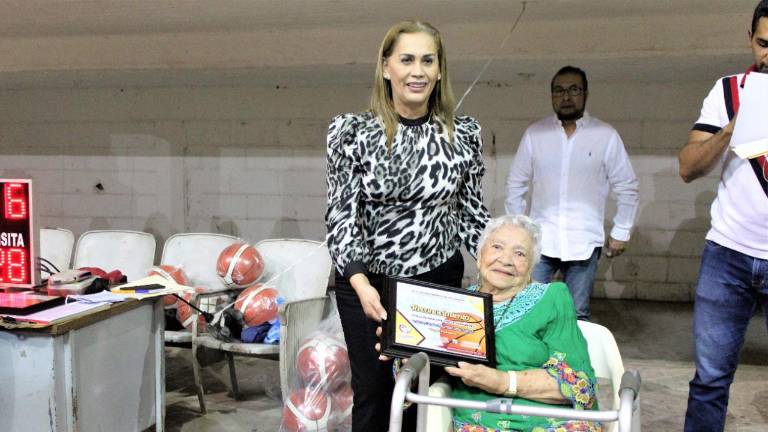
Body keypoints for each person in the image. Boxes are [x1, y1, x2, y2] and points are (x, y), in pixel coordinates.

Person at [325, 20, 490, 432]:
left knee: (428, 390)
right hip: (368, 282)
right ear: (386, 68)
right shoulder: (351, 132)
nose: (417, 71)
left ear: (439, 70)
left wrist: (500, 265)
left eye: (427, 61)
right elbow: (341, 216)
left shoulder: (464, 133)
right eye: (407, 59)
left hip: (437, 283)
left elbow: (472, 214)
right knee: (376, 391)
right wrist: (361, 284)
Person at [678, 2, 768, 430]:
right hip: (728, 254)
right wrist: (734, 126)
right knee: (711, 379)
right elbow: (688, 167)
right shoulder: (729, 89)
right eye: (764, 44)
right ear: (750, 39)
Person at [504, 66, 639, 321]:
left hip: (584, 242)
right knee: (529, 309)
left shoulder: (605, 135)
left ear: (585, 93)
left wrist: (622, 230)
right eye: (559, 90)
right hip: (541, 240)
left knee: (577, 314)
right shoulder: (535, 134)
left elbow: (627, 185)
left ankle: (569, 361)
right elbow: (515, 183)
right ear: (552, 95)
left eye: (573, 90)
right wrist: (518, 227)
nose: (566, 96)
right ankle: (534, 360)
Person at [445, 214, 601, 432]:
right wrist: (410, 357)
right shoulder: (456, 305)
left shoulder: (552, 298)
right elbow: (434, 365)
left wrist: (502, 382)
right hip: (480, 422)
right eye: (497, 247)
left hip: (551, 422)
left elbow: (580, 385)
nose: (506, 260)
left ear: (531, 267)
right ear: (479, 256)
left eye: (519, 253)